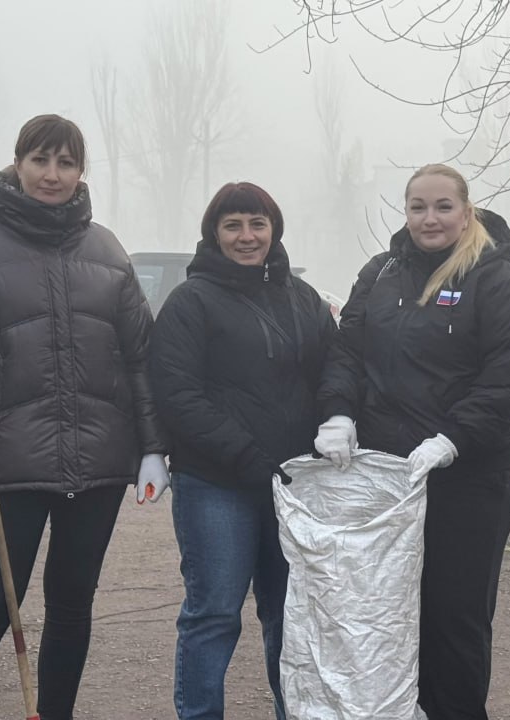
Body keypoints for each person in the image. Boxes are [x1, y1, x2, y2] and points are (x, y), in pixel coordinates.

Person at [0, 113, 169, 720]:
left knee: (73, 603)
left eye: (66, 163)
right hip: (11, 456)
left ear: (81, 171)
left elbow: (140, 356)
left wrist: (153, 447)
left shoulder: (107, 250)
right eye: (40, 160)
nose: (52, 175)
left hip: (101, 458)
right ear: (18, 163)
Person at [315, 164, 510, 720]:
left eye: (443, 206)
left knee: (453, 617)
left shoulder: (497, 281)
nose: (430, 218)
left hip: (467, 479)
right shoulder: (380, 274)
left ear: (467, 212)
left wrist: (452, 438)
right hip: (386, 479)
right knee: (386, 614)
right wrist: (338, 413)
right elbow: (348, 352)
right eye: (418, 206)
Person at [148, 182, 335, 720]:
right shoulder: (191, 301)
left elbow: (332, 370)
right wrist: (248, 456)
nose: (247, 236)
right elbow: (178, 395)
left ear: (273, 229)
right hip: (216, 485)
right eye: (233, 225)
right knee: (213, 615)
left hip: (294, 487)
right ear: (214, 233)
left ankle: (292, 711)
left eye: (257, 223)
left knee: (289, 616)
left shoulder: (304, 300)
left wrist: (335, 422)